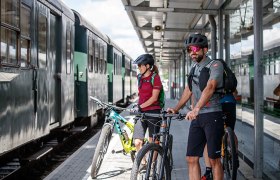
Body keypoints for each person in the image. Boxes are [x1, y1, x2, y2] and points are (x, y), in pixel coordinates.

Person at [167, 33, 224, 180]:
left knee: (213, 159)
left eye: (195, 48)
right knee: (191, 158)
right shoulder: (194, 68)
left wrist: (197, 108)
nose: (192, 52)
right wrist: (177, 108)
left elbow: (210, 87)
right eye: (189, 49)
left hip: (212, 115)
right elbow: (189, 89)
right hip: (197, 117)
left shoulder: (215, 65)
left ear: (205, 50)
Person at [202, 89, 239, 180]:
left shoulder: (211, 76)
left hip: (215, 105)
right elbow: (235, 92)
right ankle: (235, 156)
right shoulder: (227, 75)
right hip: (230, 103)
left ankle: (208, 171)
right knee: (230, 130)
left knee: (208, 138)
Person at [132, 54, 163, 162]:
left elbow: (154, 98)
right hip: (141, 112)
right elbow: (141, 95)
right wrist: (138, 106)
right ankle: (144, 163)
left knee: (152, 142)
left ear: (148, 66)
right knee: (137, 142)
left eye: (140, 65)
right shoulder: (139, 77)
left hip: (154, 112)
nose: (138, 67)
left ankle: (152, 164)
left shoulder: (156, 78)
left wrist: (140, 106)